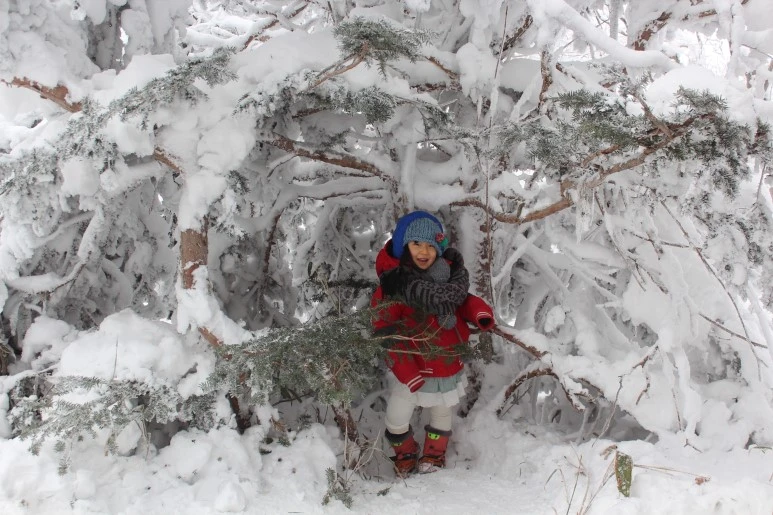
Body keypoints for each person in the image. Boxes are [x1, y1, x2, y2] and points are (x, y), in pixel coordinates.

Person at [371, 210, 495, 476]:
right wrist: (407, 371)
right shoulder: (394, 286)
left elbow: (464, 301)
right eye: (416, 243)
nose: (424, 251)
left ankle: (434, 454)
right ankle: (405, 452)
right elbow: (386, 333)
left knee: (441, 414)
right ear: (404, 246)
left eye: (430, 245)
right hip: (412, 369)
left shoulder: (448, 277)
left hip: (446, 364)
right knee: (396, 417)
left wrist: (481, 314)